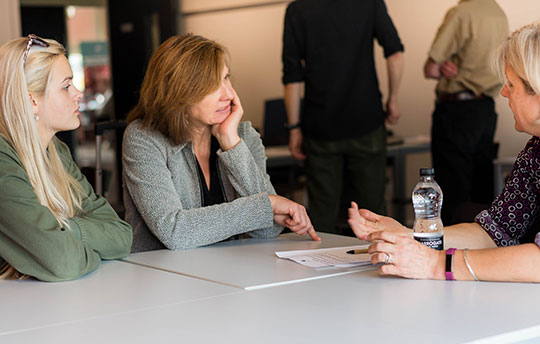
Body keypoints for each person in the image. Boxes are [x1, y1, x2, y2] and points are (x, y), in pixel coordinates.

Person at [348, 22, 540, 283]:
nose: (503, 92)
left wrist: (437, 265)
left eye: (511, 85)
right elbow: (496, 231)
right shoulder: (535, 151)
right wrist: (412, 236)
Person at [123, 34, 319, 253]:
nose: (228, 94)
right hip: (163, 275)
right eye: (212, 85)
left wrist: (232, 144)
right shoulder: (143, 138)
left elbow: (267, 230)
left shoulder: (242, 134)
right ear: (177, 92)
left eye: (226, 78)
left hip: (229, 271)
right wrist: (266, 205)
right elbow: (174, 231)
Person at [0, 35, 133, 282]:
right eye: (66, 86)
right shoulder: (2, 159)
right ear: (32, 100)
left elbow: (122, 237)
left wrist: (62, 228)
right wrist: (92, 250)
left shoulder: (56, 151)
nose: (79, 93)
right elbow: (65, 261)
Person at [282, 0, 404, 235]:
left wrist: (294, 128)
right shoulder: (369, 4)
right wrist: (394, 98)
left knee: (321, 214)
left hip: (320, 127)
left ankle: (319, 263)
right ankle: (383, 263)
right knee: (374, 212)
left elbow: (292, 75)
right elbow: (395, 52)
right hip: (366, 120)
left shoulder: (298, 10)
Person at [424, 0, 509, 224]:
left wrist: (441, 67)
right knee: (481, 188)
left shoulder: (461, 13)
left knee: (452, 189)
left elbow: (431, 69)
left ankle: (449, 253)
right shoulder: (498, 13)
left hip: (457, 111)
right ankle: (479, 252)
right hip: (486, 109)